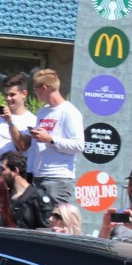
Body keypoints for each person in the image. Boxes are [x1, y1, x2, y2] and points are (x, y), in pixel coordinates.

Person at [20, 68, 83, 206]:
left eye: (35, 89)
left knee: (54, 224)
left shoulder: (69, 112)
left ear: (44, 88)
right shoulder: (43, 111)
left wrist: (51, 139)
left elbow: (79, 145)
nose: (34, 93)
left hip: (58, 178)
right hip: (38, 177)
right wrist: (30, 172)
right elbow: (35, 146)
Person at [0, 151, 51, 229]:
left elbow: (46, 228)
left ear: (15, 171)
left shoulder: (37, 196)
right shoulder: (5, 196)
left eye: (2, 169)